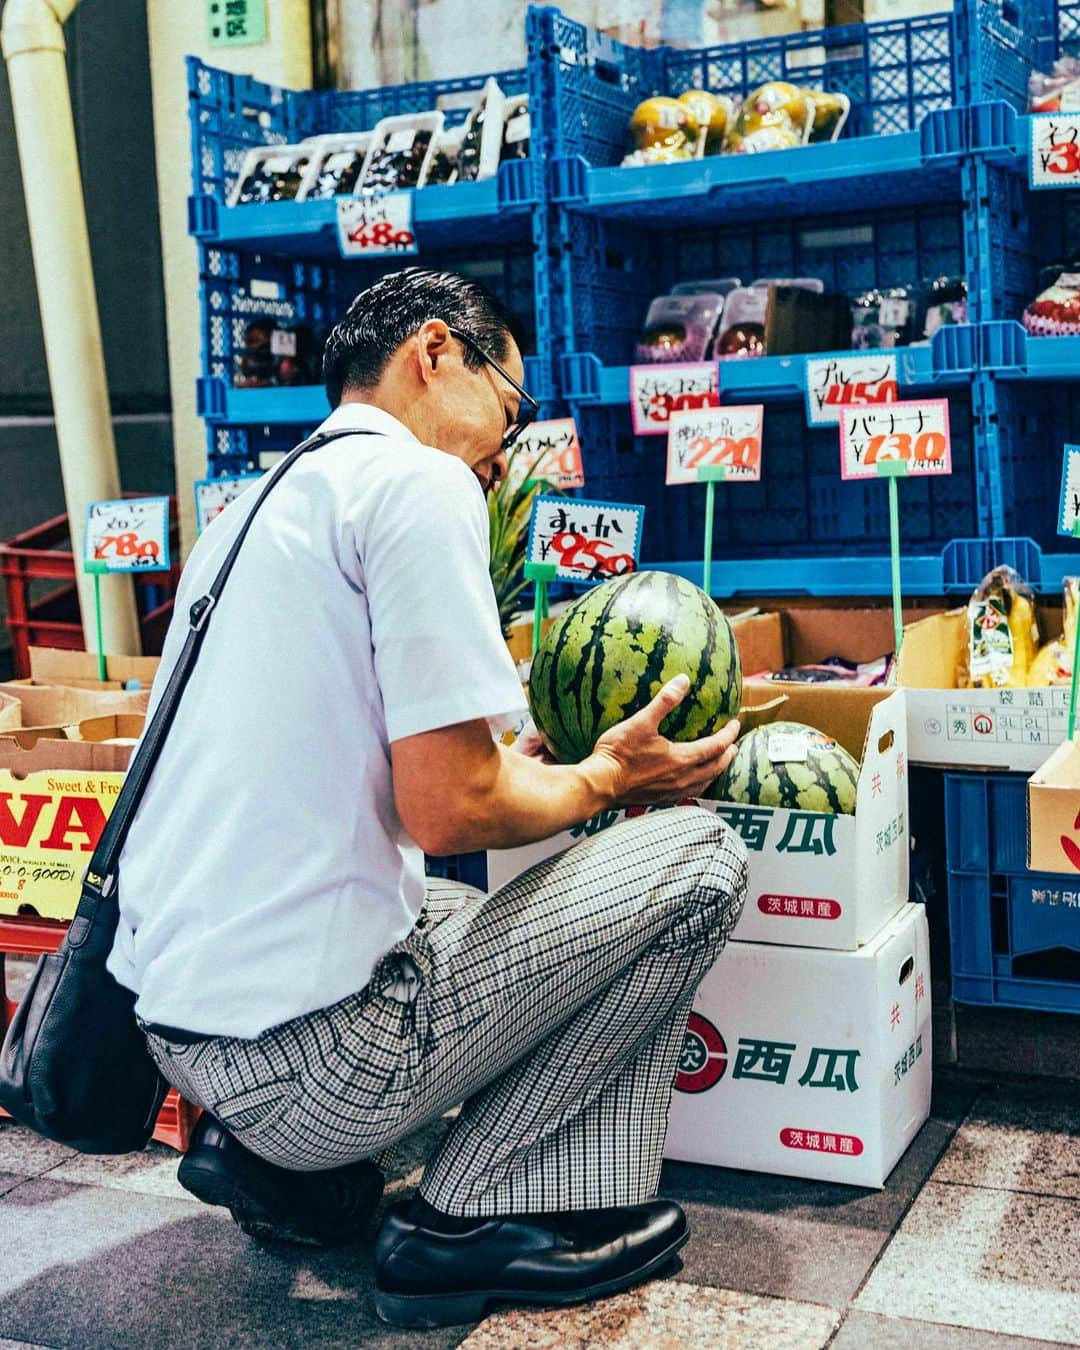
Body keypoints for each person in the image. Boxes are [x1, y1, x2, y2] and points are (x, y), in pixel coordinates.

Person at [107, 267, 748, 1330]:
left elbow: (358, 776)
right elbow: (451, 813)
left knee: (474, 908)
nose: (508, 449)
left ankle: (281, 1165)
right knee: (697, 863)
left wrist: (525, 768)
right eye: (511, 408)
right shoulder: (419, 483)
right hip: (316, 1059)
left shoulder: (259, 504)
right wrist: (604, 779)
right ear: (437, 350)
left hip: (184, 1041)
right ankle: (469, 1218)